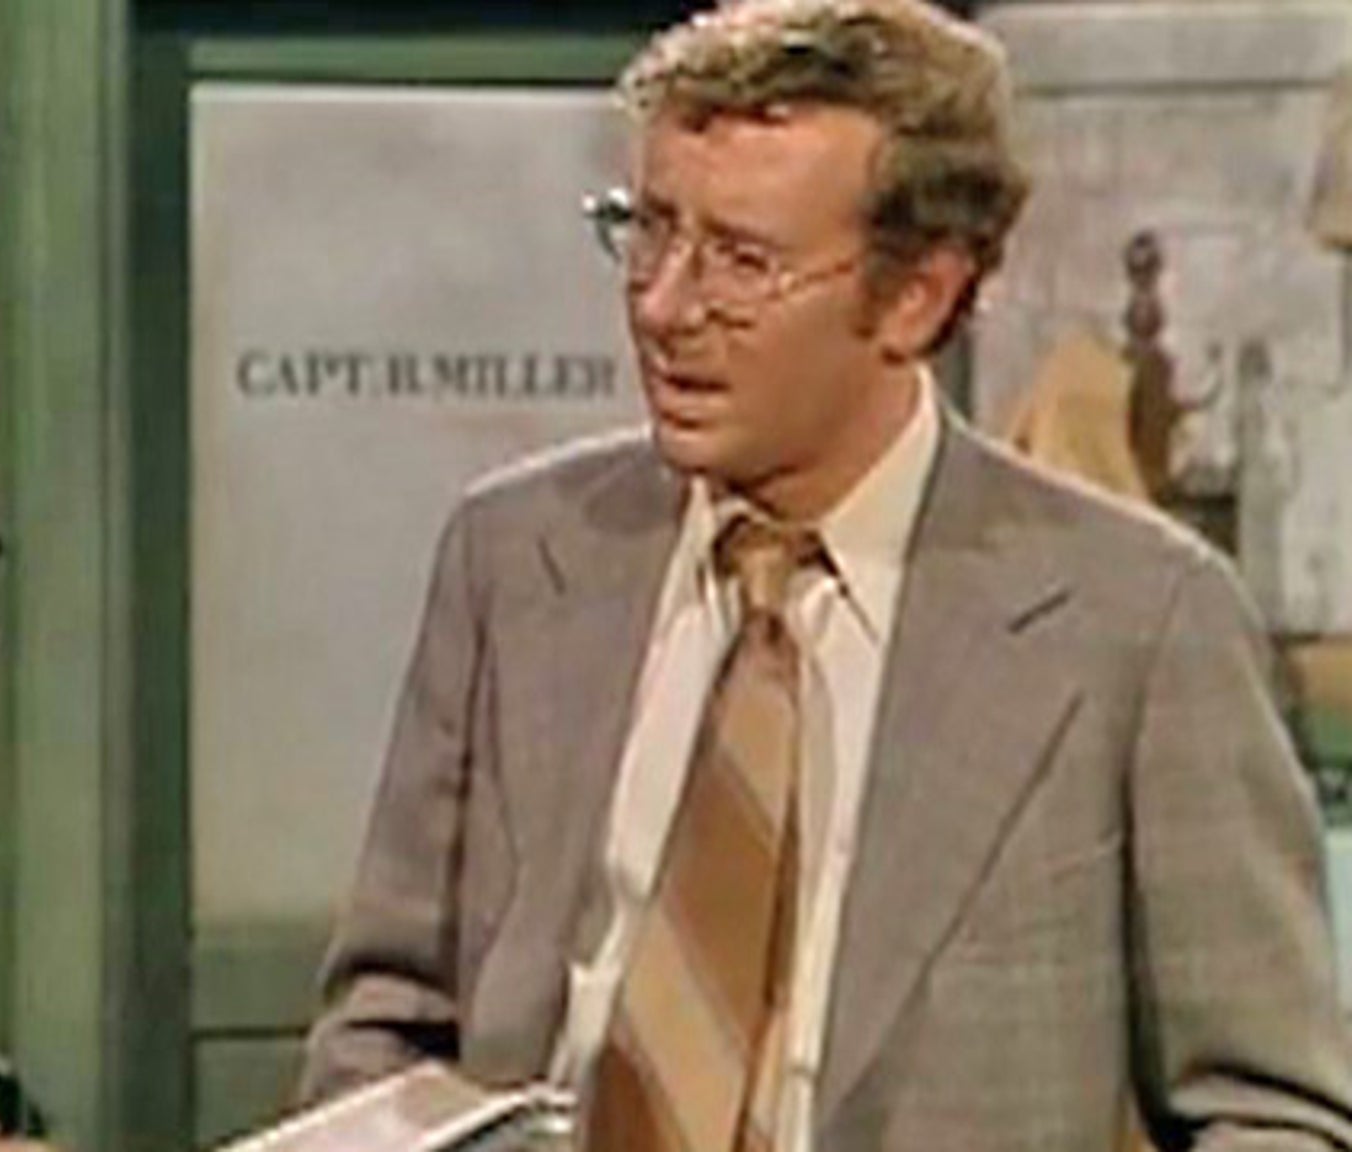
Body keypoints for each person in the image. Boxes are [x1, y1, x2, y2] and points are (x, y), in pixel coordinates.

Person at [298, 2, 1352, 1149]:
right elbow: (384, 1032)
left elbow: (1268, 1115)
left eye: (741, 261)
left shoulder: (1137, 623)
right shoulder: (515, 558)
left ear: (914, 297)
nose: (661, 306)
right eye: (648, 229)